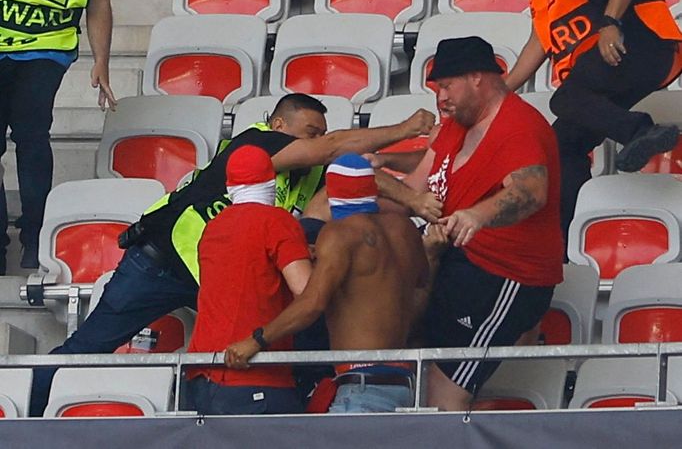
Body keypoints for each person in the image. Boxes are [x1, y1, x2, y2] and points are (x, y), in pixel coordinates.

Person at [29, 93, 437, 416]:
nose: (316, 141)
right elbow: (332, 150)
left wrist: (414, 197)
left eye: (320, 134)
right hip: (159, 264)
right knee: (89, 348)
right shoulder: (255, 143)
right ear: (279, 125)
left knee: (308, 322)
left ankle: (314, 404)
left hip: (217, 277)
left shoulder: (308, 173)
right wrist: (404, 128)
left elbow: (354, 174)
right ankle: (25, 414)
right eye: (310, 131)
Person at [379, 37, 564, 411]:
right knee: (409, 365)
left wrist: (477, 215)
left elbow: (531, 191)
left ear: (477, 77)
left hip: (504, 274)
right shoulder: (453, 127)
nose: (440, 98)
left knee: (443, 393)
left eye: (446, 86)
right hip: (453, 261)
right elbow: (414, 191)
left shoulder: (518, 124)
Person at [225, 154, 445, 414]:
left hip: (362, 387)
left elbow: (312, 303)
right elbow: (414, 288)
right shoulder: (404, 228)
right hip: (403, 382)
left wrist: (256, 340)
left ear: (331, 194)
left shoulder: (339, 234)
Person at [505, 0, 682, 240]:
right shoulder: (542, 1)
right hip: (610, 69)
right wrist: (501, 91)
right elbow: (539, 41)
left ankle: (640, 130)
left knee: (565, 98)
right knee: (562, 145)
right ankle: (565, 241)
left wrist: (610, 23)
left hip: (639, 41)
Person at [184, 145, 312, 415]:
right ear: (271, 182)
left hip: (202, 373)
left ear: (230, 187)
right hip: (253, 372)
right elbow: (307, 290)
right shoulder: (277, 221)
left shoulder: (212, 227)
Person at [0, 0, 116, 273]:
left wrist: (102, 61)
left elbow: (98, 2)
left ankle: (35, 236)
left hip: (47, 48)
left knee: (32, 138)